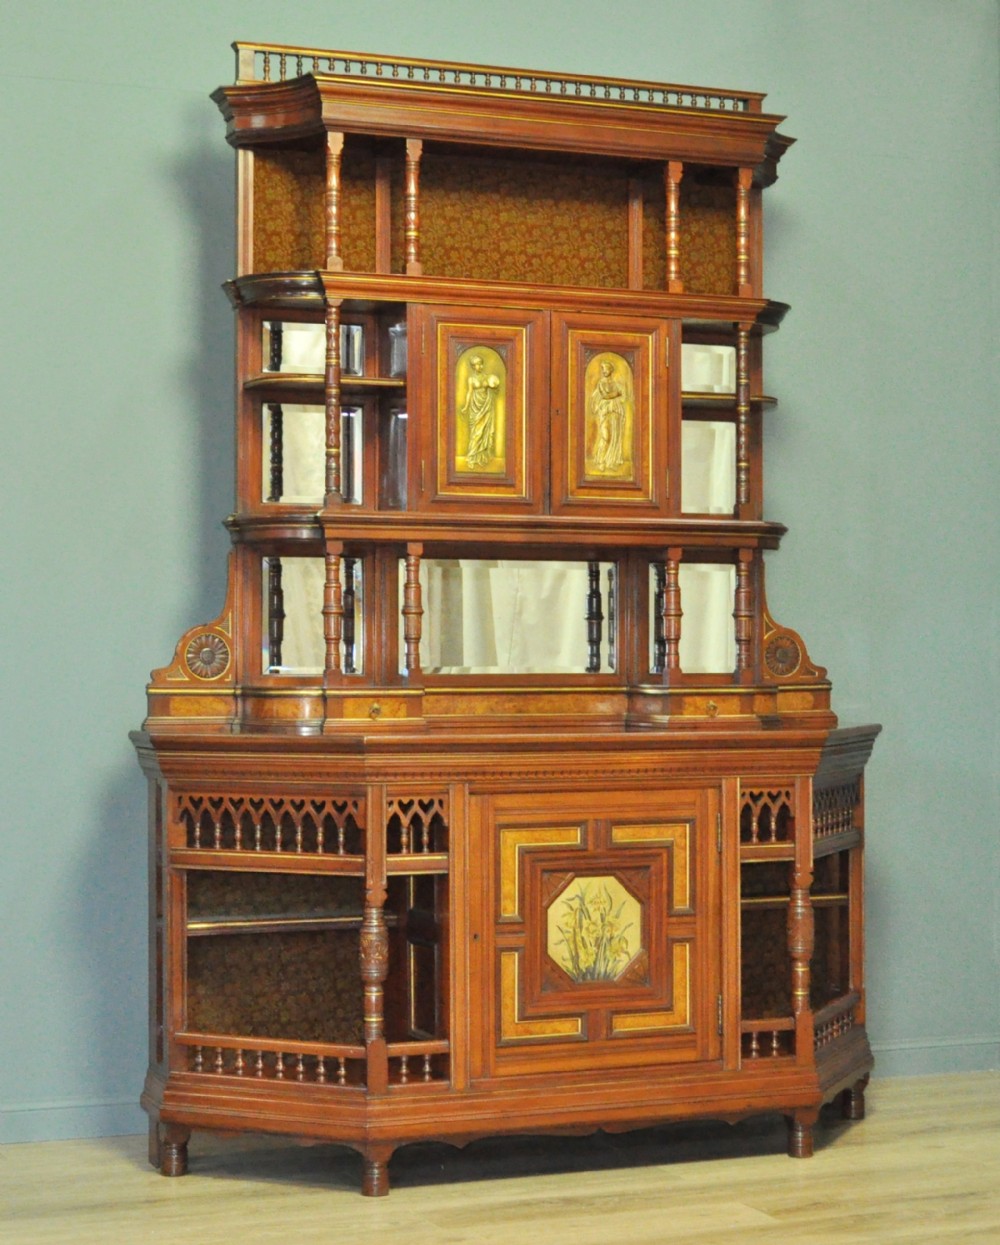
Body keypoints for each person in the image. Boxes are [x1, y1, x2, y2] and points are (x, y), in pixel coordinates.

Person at [461, 354, 501, 468]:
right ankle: (472, 457)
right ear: (473, 366)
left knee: (485, 433)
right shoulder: (471, 379)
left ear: (482, 365)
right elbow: (469, 392)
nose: (478, 366)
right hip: (475, 407)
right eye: (475, 365)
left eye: (479, 364)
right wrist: (466, 406)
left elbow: (495, 387)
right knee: (476, 433)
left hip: (487, 406)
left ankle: (482, 457)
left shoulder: (487, 377)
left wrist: (494, 386)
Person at [589, 358, 627, 473]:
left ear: (610, 370)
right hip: (605, 411)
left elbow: (623, 396)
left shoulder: (616, 384)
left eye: (606, 369)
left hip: (615, 411)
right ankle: (600, 461)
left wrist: (614, 396)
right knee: (605, 436)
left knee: (615, 435)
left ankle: (611, 461)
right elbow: (605, 395)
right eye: (602, 369)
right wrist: (614, 396)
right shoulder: (601, 383)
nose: (604, 371)